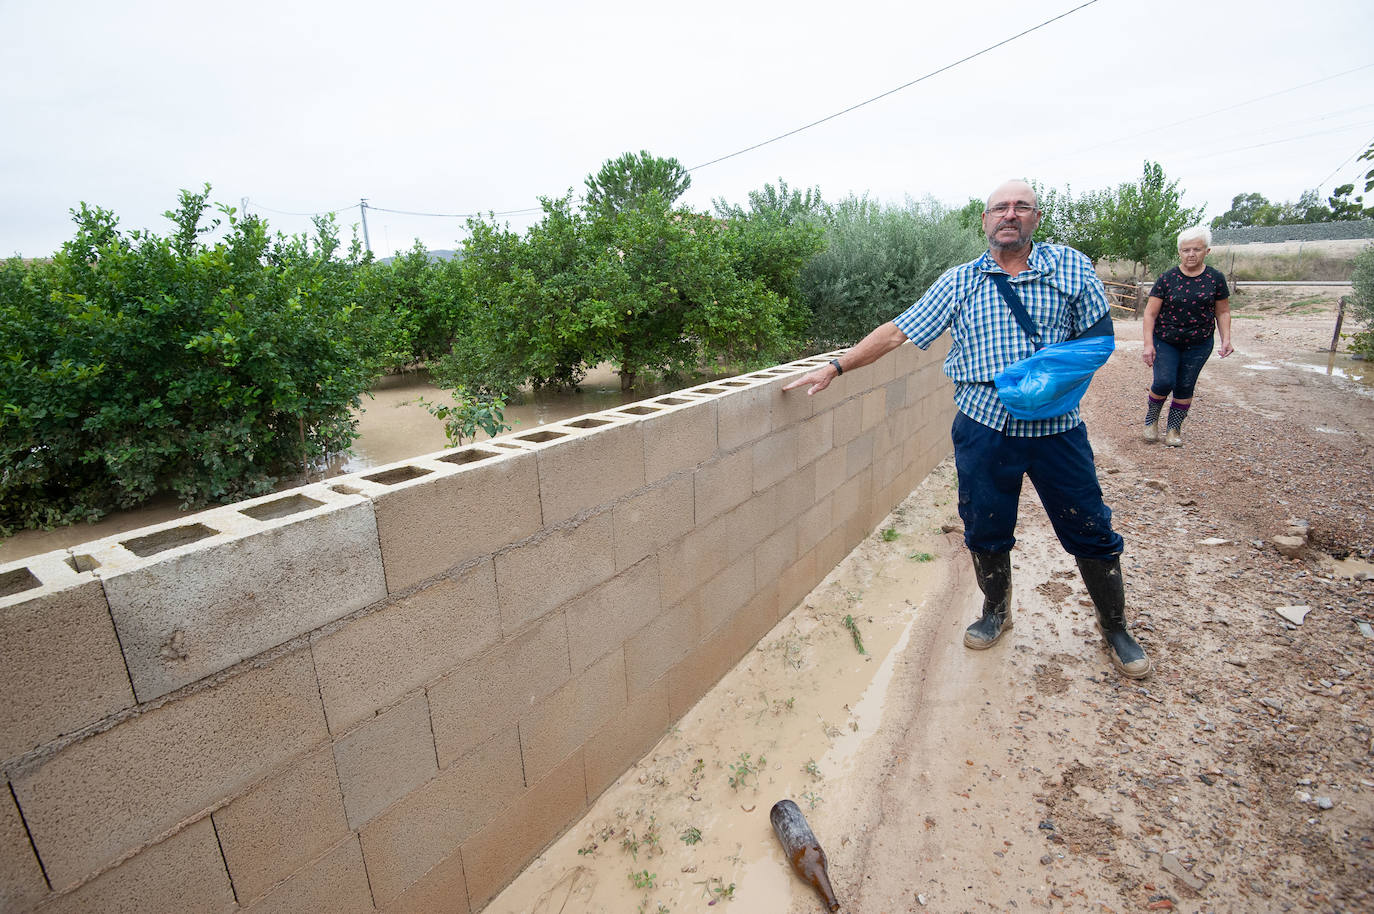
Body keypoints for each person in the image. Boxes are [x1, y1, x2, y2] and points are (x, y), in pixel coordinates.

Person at [783, 179, 1150, 679]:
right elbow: (897, 332)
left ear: (1037, 217)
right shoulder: (959, 282)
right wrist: (837, 367)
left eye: (1021, 207)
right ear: (985, 220)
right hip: (983, 426)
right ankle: (995, 611)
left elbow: (1097, 341)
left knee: (1089, 526)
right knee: (984, 525)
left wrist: (1045, 383)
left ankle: (1115, 626)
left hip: (1057, 428)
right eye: (1000, 208)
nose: (1010, 215)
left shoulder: (1071, 266)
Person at [1141, 225, 1234, 446]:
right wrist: (1148, 344)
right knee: (1164, 381)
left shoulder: (1215, 279)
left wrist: (1226, 339)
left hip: (1200, 343)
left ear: (1207, 251)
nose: (1191, 254)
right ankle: (1151, 420)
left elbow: (1222, 312)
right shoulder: (1167, 278)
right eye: (1186, 250)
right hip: (1166, 340)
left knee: (1185, 385)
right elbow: (1150, 313)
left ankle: (1173, 430)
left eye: (1196, 249)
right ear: (1179, 252)